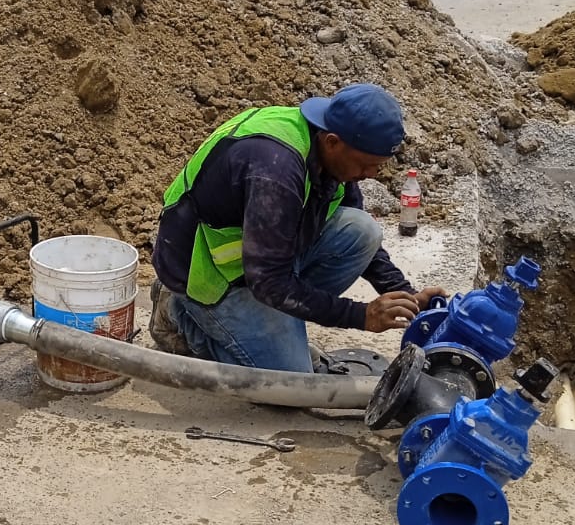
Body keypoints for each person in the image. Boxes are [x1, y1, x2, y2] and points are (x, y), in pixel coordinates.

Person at [148, 85, 446, 372]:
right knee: (290, 375)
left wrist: (404, 295)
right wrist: (361, 315)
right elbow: (268, 282)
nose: (370, 175)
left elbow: (359, 240)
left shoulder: (331, 154)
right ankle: (179, 316)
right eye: (366, 164)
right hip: (204, 275)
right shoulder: (275, 170)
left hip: (261, 265)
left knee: (362, 231)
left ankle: (267, 325)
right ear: (332, 142)